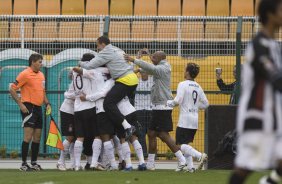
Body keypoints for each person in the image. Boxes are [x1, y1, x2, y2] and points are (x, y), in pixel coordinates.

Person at [229, 0, 282, 183]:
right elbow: (274, 78)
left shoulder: (274, 45)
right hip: (256, 114)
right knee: (244, 169)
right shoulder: (258, 44)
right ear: (270, 14)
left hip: (273, 115)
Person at [124, 49, 187, 171]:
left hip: (162, 106)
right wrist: (136, 63)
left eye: (154, 57)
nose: (152, 58)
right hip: (158, 106)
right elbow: (141, 69)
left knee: (163, 135)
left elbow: (150, 68)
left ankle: (182, 159)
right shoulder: (159, 67)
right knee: (151, 133)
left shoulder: (163, 69)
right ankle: (151, 164)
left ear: (161, 59)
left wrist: (134, 59)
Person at [79, 36, 138, 140]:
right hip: (132, 79)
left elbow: (89, 66)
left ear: (102, 44)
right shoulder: (116, 49)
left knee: (108, 103)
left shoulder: (106, 52)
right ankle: (130, 123)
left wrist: (80, 63)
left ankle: (128, 126)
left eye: (97, 45)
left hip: (125, 80)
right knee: (120, 103)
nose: (97, 48)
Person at [9, 53, 51, 171]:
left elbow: (42, 92)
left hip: (38, 108)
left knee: (37, 137)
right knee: (28, 137)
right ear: (33, 62)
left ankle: (34, 163)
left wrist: (47, 103)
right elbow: (12, 89)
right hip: (28, 108)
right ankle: (23, 164)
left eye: (41, 62)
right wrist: (20, 104)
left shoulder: (42, 75)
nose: (41, 64)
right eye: (39, 62)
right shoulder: (25, 74)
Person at [167, 63, 209, 173]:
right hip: (194, 120)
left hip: (185, 119)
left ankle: (200, 155)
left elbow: (177, 101)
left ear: (187, 72)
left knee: (180, 145)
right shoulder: (198, 86)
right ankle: (190, 167)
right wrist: (194, 106)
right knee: (186, 144)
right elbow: (206, 104)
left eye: (185, 69)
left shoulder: (182, 84)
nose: (184, 71)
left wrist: (168, 103)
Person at [57, 73, 76, 171]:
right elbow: (72, 95)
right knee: (70, 137)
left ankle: (73, 164)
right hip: (68, 111)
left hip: (76, 111)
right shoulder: (76, 81)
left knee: (75, 137)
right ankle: (61, 162)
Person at [134, 71, 153, 155]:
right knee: (141, 134)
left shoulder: (152, 81)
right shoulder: (136, 81)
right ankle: (143, 154)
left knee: (151, 134)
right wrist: (136, 70)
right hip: (139, 110)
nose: (143, 74)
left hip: (150, 109)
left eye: (145, 72)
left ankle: (152, 154)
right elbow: (129, 74)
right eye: (141, 72)